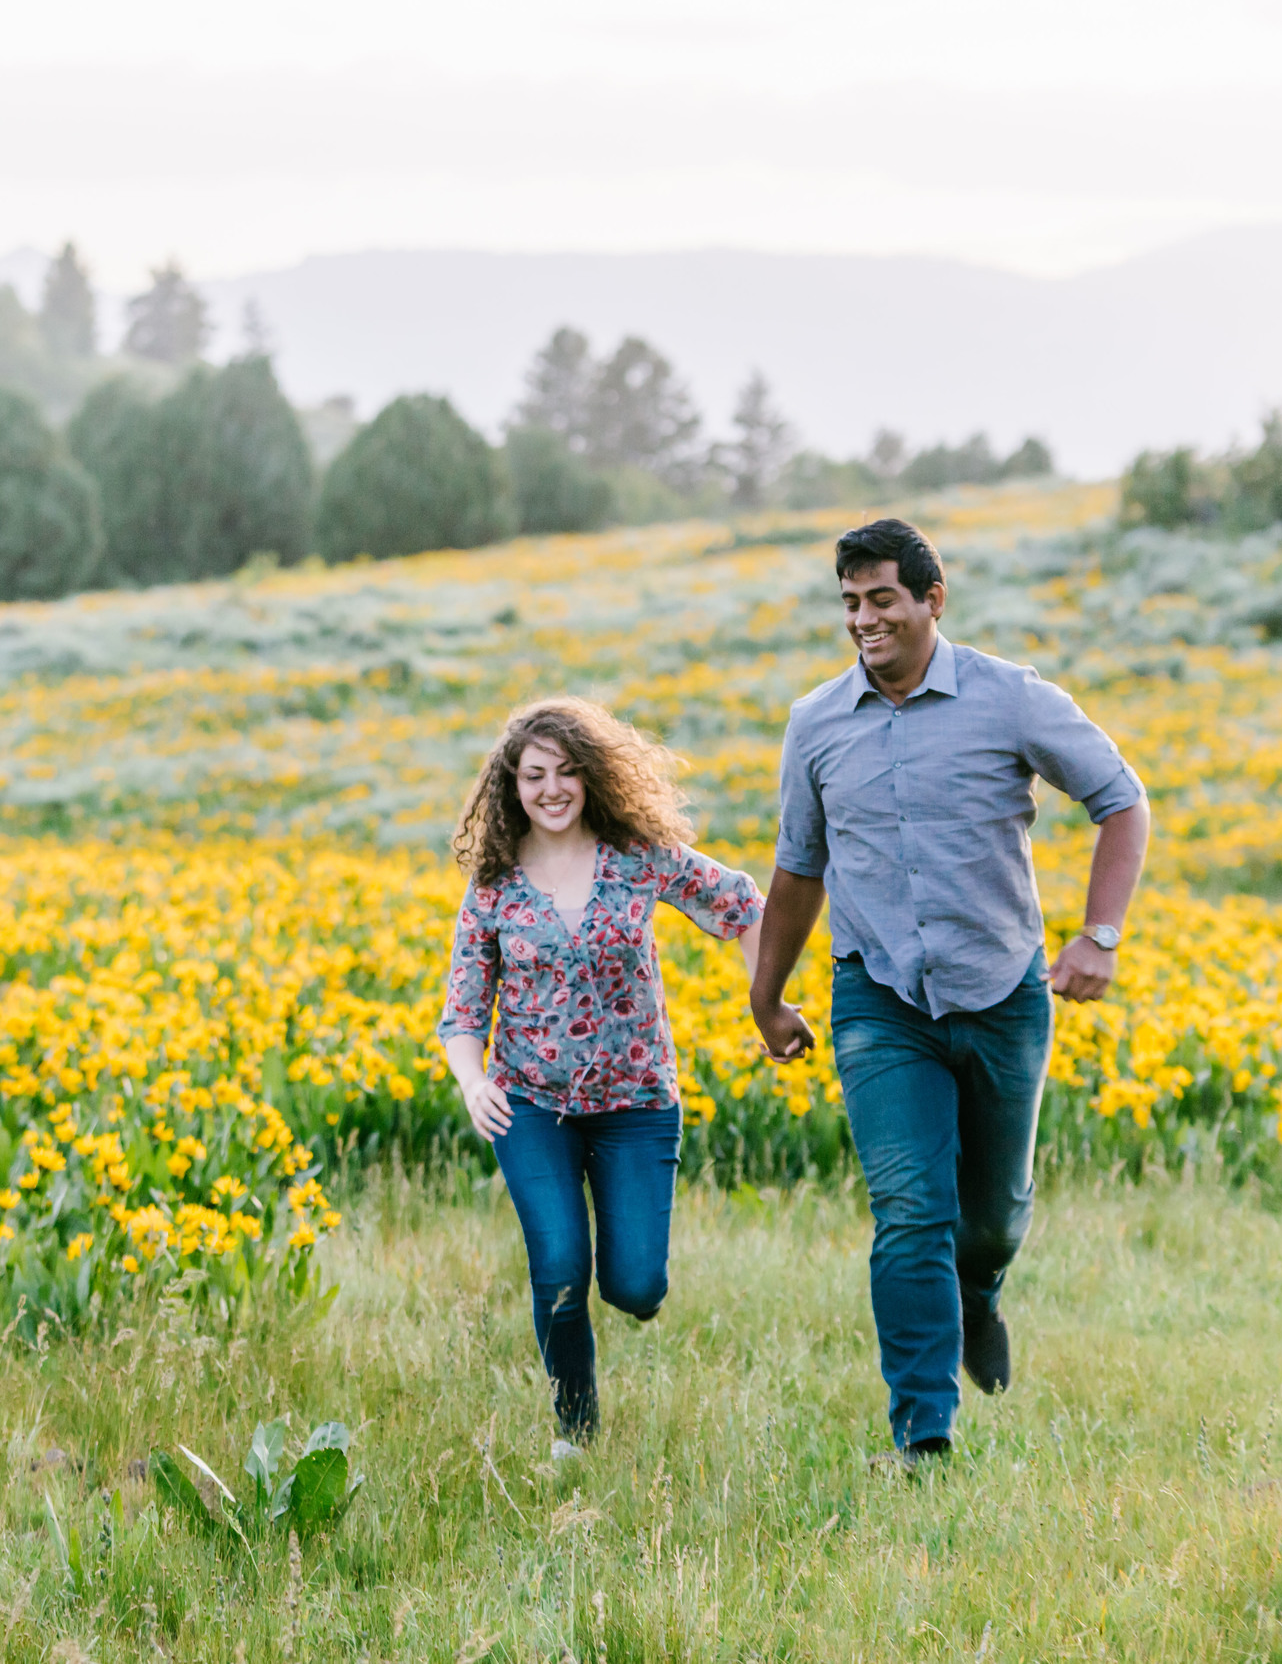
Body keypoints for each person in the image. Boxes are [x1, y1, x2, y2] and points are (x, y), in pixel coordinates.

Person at [750, 518, 1151, 1466]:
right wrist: (768, 998)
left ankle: (980, 1291)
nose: (864, 619)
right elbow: (798, 870)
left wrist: (1100, 935)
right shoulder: (815, 724)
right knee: (909, 1211)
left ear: (933, 598)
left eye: (882, 598)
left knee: (992, 1215)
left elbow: (1123, 800)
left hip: (1002, 992)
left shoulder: (1011, 699)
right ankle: (923, 1434)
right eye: (850, 602)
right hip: (879, 999)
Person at [438, 696, 773, 1454]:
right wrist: (473, 1082)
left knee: (635, 1286)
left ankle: (630, 1295)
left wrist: (766, 1005)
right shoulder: (491, 886)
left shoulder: (636, 855)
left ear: (589, 777)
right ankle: (576, 1428)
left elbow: (743, 905)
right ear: (511, 787)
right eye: (533, 775)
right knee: (558, 1267)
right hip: (528, 1104)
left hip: (637, 1103)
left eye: (565, 772)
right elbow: (462, 1011)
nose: (551, 789)